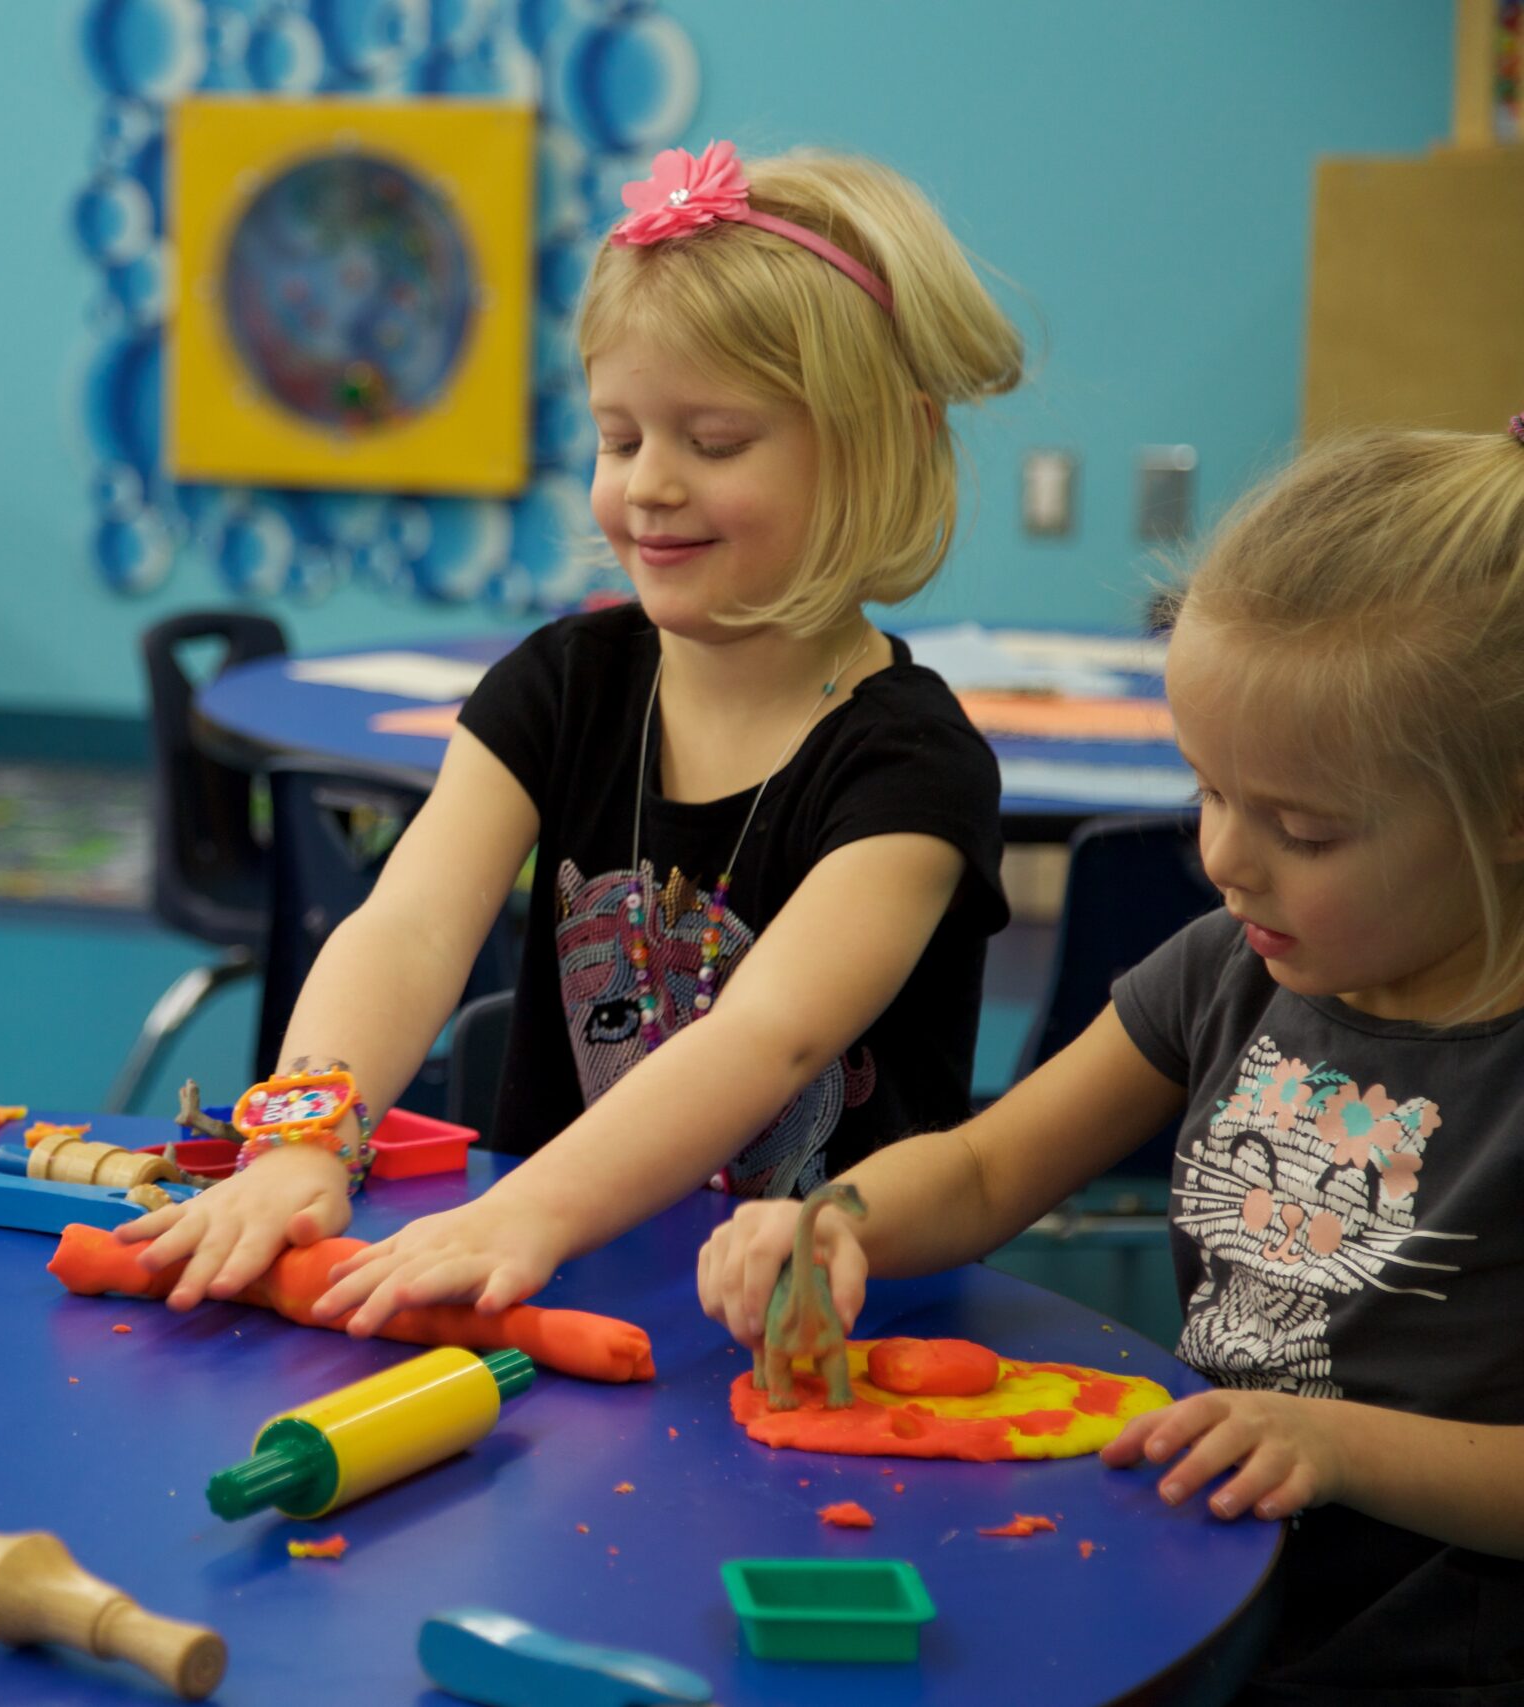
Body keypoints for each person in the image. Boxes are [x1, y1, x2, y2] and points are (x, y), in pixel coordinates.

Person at [125, 141, 1021, 1325]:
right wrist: (305, 1138)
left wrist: (522, 1213)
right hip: (549, 1297)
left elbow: (770, 1040)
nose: (648, 485)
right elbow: (405, 928)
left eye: (712, 443)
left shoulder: (910, 769)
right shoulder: (563, 685)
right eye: (618, 438)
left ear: (879, 446)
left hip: (814, 1332)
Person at [699, 421, 1524, 1698]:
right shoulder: (1228, 968)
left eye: (1301, 828)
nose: (1226, 858)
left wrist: (1334, 1445)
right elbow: (983, 1171)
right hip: (1195, 1588)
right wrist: (836, 1220)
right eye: (1206, 790)